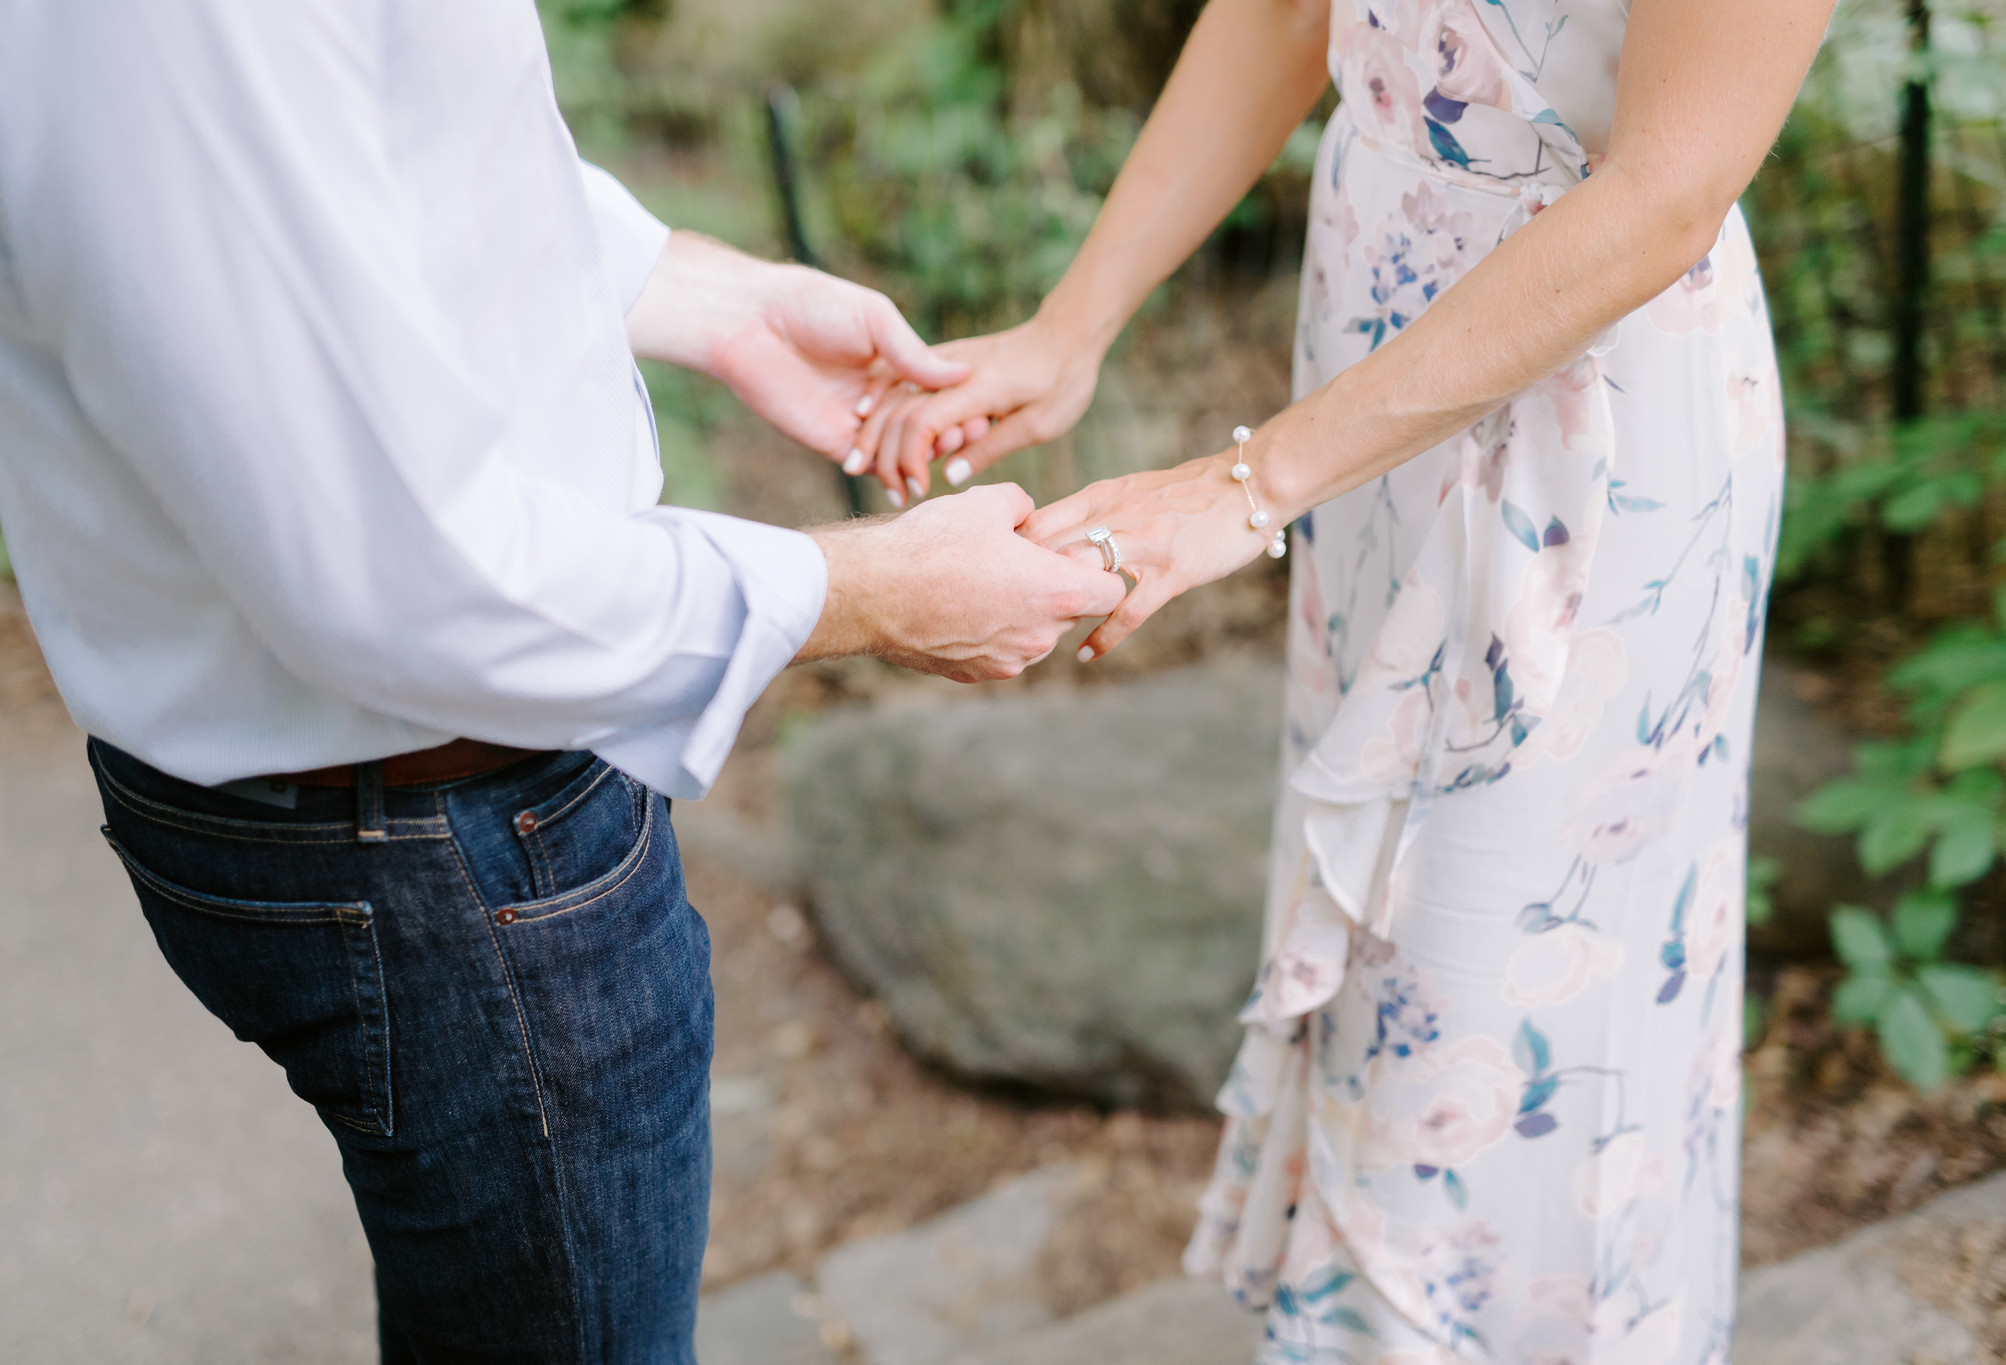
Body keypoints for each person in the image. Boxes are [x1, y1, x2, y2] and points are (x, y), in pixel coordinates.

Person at [0, 4, 1122, 1362]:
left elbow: (373, 159)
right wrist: (866, 590)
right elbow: (402, 582)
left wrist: (698, 292)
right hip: (448, 846)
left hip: (421, 811)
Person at [853, 0, 1830, 1357]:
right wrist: (1076, 323)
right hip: (1371, 385)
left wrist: (1247, 482)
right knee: (1380, 977)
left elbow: (1665, 193)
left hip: (1588, 446)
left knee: (1499, 1034)